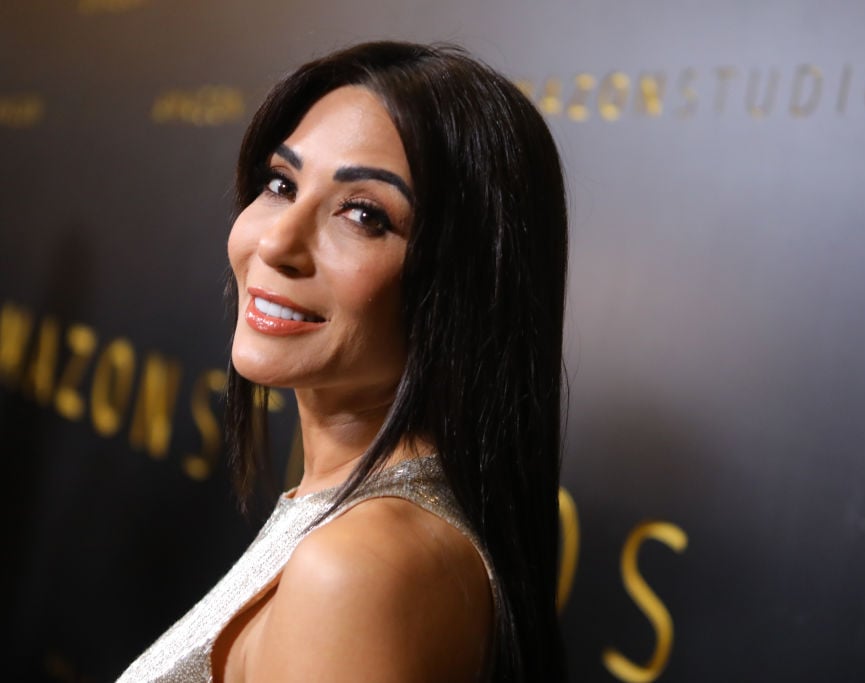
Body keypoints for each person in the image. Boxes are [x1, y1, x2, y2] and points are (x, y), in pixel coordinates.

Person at [117, 41, 568, 682]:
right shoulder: (375, 530)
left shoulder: (356, 569)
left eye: (363, 215)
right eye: (282, 184)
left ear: (467, 285)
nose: (276, 242)